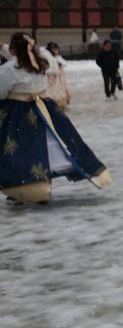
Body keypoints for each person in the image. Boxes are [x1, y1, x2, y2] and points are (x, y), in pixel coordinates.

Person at [0, 33, 112, 203]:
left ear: (15, 49)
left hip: (20, 114)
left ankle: (26, 189)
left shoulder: (10, 68)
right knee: (50, 147)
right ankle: (39, 186)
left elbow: (2, 88)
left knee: (21, 151)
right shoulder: (40, 62)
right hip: (45, 110)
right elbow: (20, 60)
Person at [43, 42, 70, 110]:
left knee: (60, 89)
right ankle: (52, 103)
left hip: (60, 76)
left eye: (57, 49)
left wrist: (60, 64)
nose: (56, 51)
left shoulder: (57, 57)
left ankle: (60, 103)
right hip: (51, 77)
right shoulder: (47, 57)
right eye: (54, 49)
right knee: (52, 90)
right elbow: (46, 68)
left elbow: (65, 63)